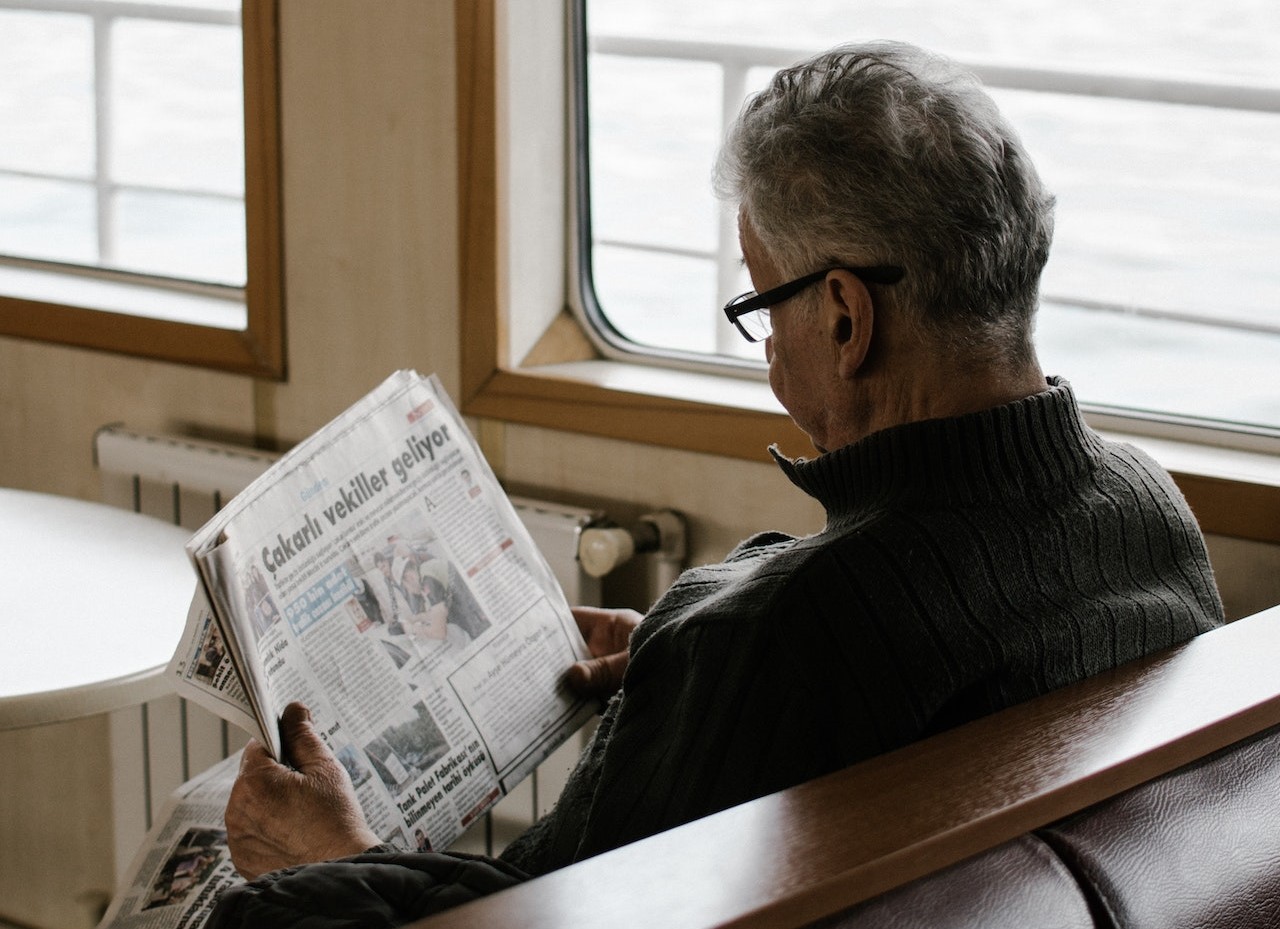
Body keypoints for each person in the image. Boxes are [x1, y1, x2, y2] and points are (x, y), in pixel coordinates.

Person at [208, 41, 1224, 926]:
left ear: (841, 316)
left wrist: (334, 860)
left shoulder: (778, 639)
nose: (766, 345)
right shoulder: (1146, 512)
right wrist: (676, 668)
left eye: (759, 301)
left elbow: (545, 916)